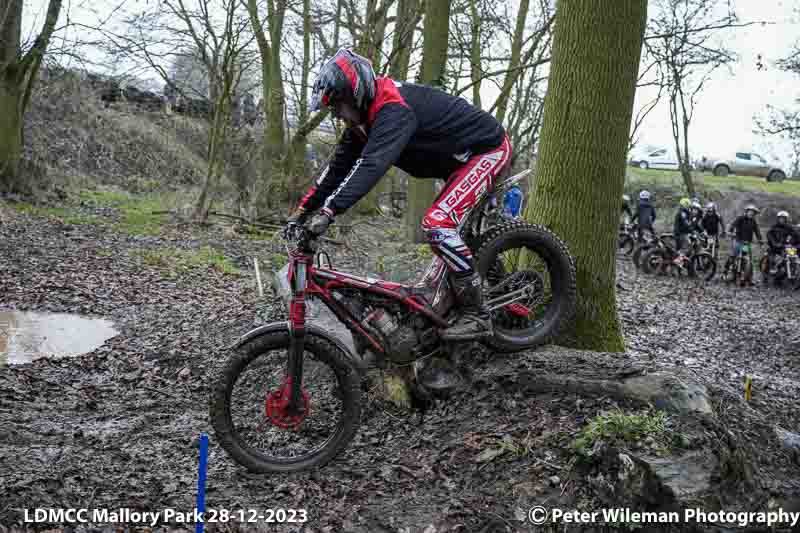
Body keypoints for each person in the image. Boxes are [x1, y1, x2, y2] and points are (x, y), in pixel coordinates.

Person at [286, 48, 511, 341]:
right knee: (449, 235)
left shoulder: (392, 109)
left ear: (356, 93)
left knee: (438, 225)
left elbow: (372, 165)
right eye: (333, 110)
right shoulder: (362, 122)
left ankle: (478, 314)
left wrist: (329, 211)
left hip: (486, 151)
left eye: (338, 106)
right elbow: (335, 171)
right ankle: (482, 283)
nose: (338, 115)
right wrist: (301, 213)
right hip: (457, 162)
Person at [727, 204, 763, 283]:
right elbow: (733, 225)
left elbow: (757, 231)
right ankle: (727, 272)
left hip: (747, 243)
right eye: (750, 212)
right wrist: (730, 231)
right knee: (733, 256)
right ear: (746, 212)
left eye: (753, 213)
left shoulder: (753, 221)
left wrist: (760, 239)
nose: (751, 213)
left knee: (749, 259)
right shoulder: (740, 218)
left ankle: (750, 278)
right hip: (738, 240)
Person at [672, 197, 693, 264]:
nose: (689, 207)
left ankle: (678, 265)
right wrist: (691, 230)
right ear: (685, 205)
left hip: (678, 233)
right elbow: (685, 224)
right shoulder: (682, 213)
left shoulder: (681, 212)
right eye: (688, 205)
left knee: (678, 250)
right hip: (681, 233)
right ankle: (678, 260)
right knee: (687, 247)